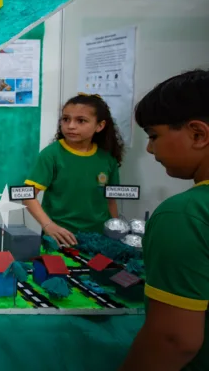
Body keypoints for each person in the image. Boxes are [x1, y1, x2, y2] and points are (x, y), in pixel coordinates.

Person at [120, 69, 209, 371]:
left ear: (198, 134)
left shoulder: (185, 215)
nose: (149, 148)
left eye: (154, 136)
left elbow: (174, 339)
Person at [23, 93, 124, 246]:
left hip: (99, 238)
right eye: (65, 119)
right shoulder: (51, 154)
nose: (71, 126)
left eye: (81, 121)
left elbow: (111, 201)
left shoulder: (107, 159)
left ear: (100, 126)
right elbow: (28, 196)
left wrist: (114, 232)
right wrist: (49, 226)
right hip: (60, 238)